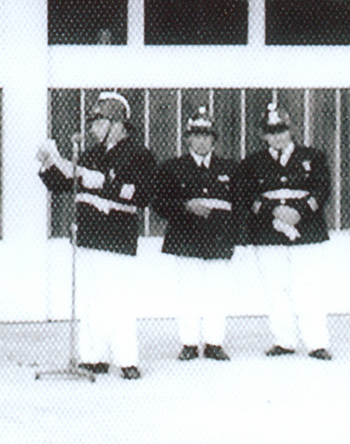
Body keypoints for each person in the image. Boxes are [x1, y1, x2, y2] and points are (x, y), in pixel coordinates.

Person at [36, 91, 156, 379]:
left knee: (118, 298)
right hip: (88, 235)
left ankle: (127, 360)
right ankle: (93, 357)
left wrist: (99, 181)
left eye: (98, 122)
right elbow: (63, 184)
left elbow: (139, 194)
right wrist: (49, 163)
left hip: (116, 236)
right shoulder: (90, 154)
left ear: (117, 123)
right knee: (92, 299)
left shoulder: (139, 154)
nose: (92, 129)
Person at [234, 103, 334, 360]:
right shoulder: (253, 162)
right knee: (276, 288)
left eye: (281, 130)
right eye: (271, 132)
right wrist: (274, 212)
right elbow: (247, 195)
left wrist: (298, 211)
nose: (277, 137)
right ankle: (284, 341)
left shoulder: (312, 156)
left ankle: (317, 343)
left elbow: (322, 190)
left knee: (308, 287)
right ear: (263, 135)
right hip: (269, 233)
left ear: (291, 130)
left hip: (307, 232)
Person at [151, 106, 238, 362]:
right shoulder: (173, 168)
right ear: (188, 138)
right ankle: (189, 343)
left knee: (217, 292)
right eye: (196, 135)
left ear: (214, 139)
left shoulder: (229, 168)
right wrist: (184, 206)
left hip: (218, 239)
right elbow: (159, 203)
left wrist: (231, 233)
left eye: (207, 135)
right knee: (188, 292)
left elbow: (239, 205)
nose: (202, 141)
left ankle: (214, 343)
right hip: (186, 238)